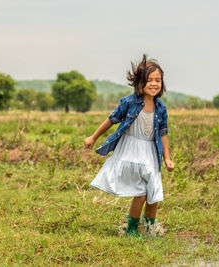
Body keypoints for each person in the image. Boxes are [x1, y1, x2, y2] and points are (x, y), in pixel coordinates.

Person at [84, 54, 174, 236]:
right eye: (149, 80)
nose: (154, 84)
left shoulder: (161, 107)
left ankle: (149, 228)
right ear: (140, 82)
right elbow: (112, 120)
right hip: (132, 151)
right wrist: (93, 137)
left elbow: (163, 133)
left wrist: (167, 158)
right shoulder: (129, 102)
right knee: (141, 193)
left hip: (151, 153)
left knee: (154, 193)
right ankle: (131, 229)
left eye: (158, 80)